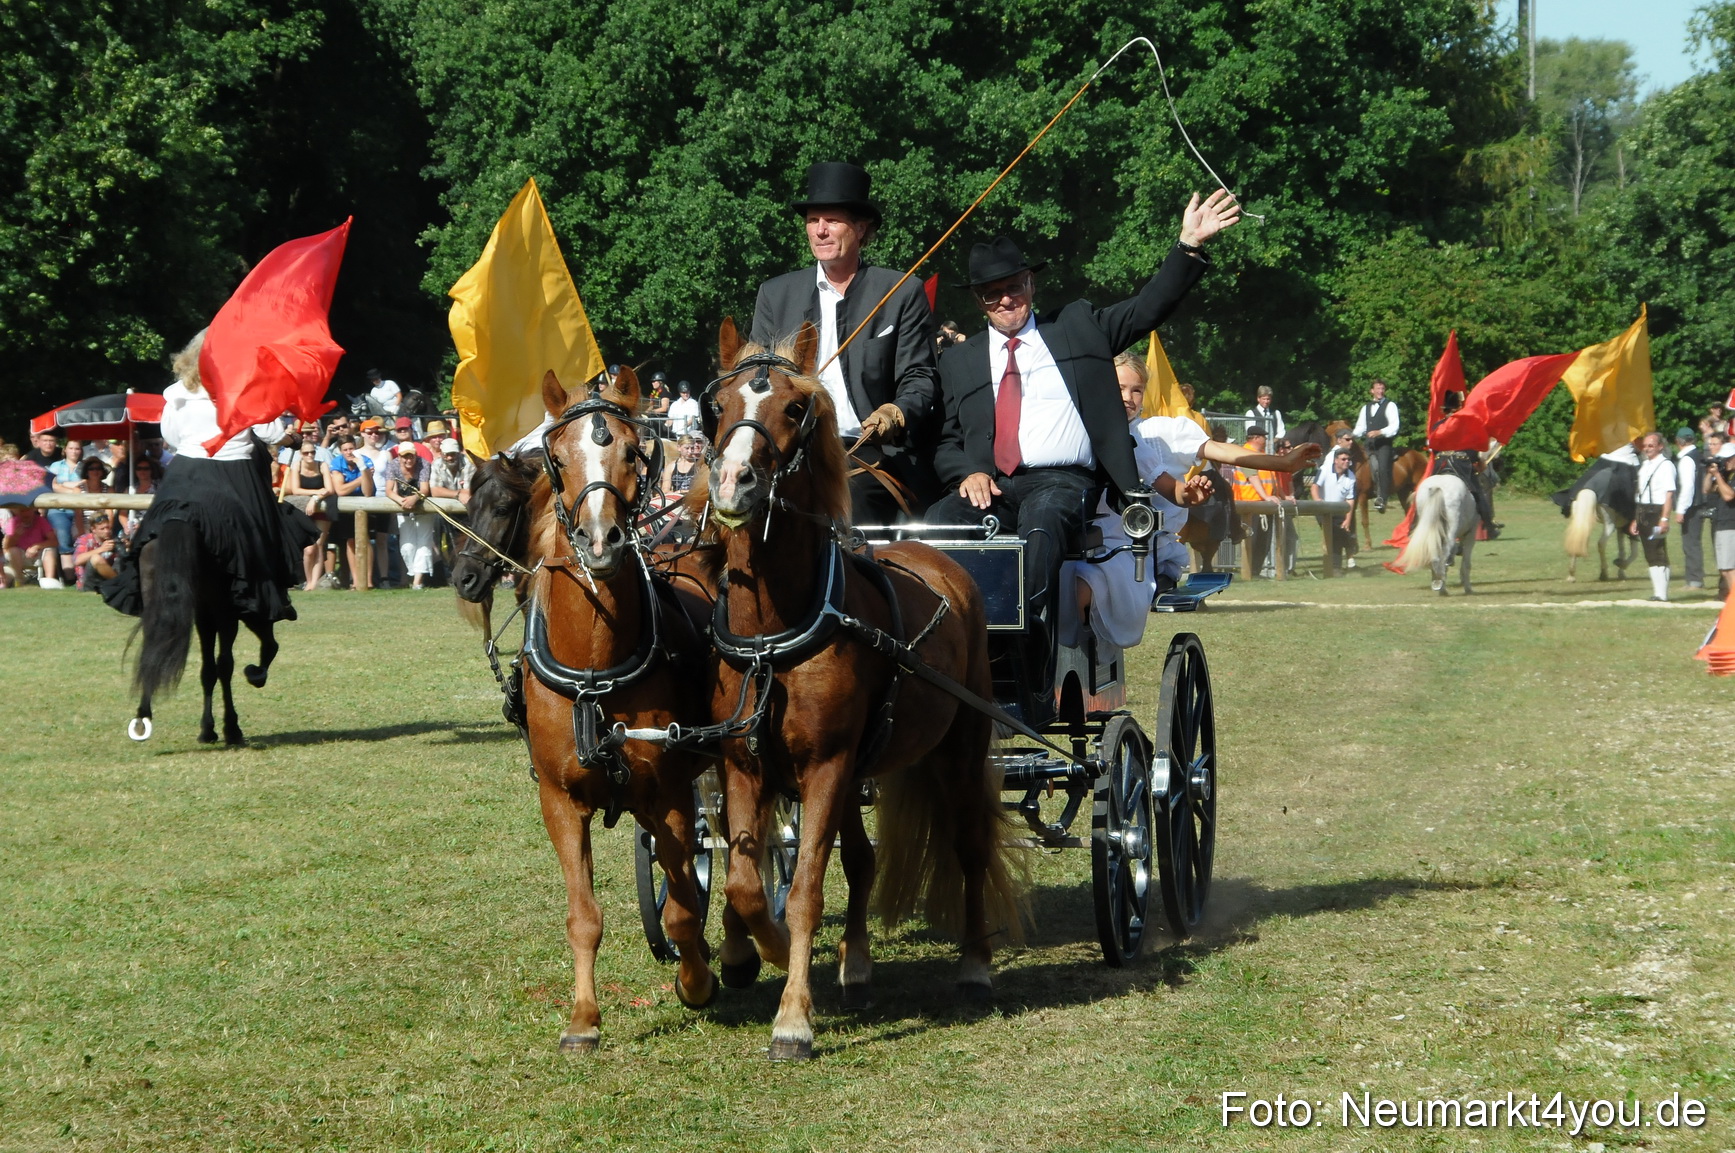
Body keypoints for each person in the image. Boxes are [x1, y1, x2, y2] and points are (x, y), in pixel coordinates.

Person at [932, 190, 1242, 678]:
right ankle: (943, 650)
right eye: (992, 293)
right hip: (991, 486)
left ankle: (1022, 657)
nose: (1006, 299)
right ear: (978, 300)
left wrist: (1188, 246)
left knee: (1041, 527)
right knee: (938, 523)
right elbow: (948, 440)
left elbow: (1146, 309)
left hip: (1061, 482)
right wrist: (966, 471)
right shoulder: (958, 360)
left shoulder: (1076, 327)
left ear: (1031, 283)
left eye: (1013, 286)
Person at [752, 161, 938, 522]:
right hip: (789, 450)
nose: (820, 230)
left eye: (832, 220)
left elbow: (920, 377)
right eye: (813, 221)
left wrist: (894, 413)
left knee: (846, 507)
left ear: (861, 228)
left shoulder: (901, 292)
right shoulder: (775, 294)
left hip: (868, 453)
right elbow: (759, 378)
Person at [1428, 390, 1499, 539]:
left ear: (1445, 409)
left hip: (1440, 464)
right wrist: (1477, 462)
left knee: (1426, 491)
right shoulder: (1465, 426)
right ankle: (1489, 526)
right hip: (1460, 465)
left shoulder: (1437, 426)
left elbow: (1433, 449)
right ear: (1457, 408)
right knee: (1478, 493)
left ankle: (1414, 525)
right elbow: (1471, 450)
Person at [382, 442, 435, 589]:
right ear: (399, 457)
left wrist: (415, 498)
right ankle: (413, 573)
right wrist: (401, 501)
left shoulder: (424, 464)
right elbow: (389, 490)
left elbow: (424, 489)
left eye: (411, 456)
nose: (408, 460)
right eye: (405, 457)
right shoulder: (393, 465)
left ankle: (417, 581)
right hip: (403, 505)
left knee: (424, 543)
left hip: (423, 506)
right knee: (407, 547)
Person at [1631, 430, 1676, 601]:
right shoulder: (1645, 465)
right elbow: (1640, 493)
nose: (1647, 449)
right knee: (1649, 552)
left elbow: (1669, 495)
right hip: (1643, 510)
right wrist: (1636, 519)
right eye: (1645, 446)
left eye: (1651, 445)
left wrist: (1664, 518)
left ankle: (1662, 594)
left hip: (1656, 510)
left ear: (1660, 446)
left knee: (1658, 550)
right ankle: (1657, 591)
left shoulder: (1666, 465)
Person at [283, 439, 332, 590]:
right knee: (308, 548)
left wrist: (315, 498)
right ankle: (307, 579)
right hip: (303, 508)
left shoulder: (322, 465)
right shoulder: (296, 466)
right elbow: (296, 489)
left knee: (319, 544)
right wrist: (317, 492)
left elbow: (329, 489)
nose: (310, 455)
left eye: (312, 452)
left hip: (321, 507)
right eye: (306, 453)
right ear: (301, 454)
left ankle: (313, 583)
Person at [1353, 379, 1400, 511]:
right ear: (1372, 391)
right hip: (1369, 444)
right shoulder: (1365, 408)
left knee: (1382, 467)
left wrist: (1380, 432)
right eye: (1378, 389)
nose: (1380, 391)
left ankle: (1382, 498)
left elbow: (1394, 426)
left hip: (1383, 444)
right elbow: (1361, 427)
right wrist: (1351, 435)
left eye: (1382, 389)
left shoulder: (1390, 406)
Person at [1312, 447, 1360, 570]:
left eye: (1348, 459)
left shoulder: (1351, 477)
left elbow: (1350, 500)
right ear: (1336, 460)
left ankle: (1335, 567)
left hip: (1339, 511)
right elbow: (1315, 487)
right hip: (1323, 509)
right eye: (1343, 459)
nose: (1346, 462)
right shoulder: (1325, 470)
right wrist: (1318, 501)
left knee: (1339, 536)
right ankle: (1333, 567)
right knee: (1333, 534)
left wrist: (1348, 520)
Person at [1674, 427, 1707, 589]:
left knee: (1690, 543)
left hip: (1692, 506)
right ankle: (1694, 578)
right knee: (1694, 542)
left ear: (1678, 442)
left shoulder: (1686, 459)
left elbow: (1687, 487)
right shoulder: (1699, 455)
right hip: (1700, 503)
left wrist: (1681, 509)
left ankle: (1694, 580)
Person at [3, 506, 64, 588]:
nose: (25, 514)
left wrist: (36, 546)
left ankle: (50, 581)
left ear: (33, 510)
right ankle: (19, 581)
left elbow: (54, 541)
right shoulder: (13, 522)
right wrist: (15, 536)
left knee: (50, 550)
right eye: (22, 511)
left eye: (27, 510)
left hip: (38, 554)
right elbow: (7, 547)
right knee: (13, 550)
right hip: (20, 555)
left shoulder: (41, 521)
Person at [1705, 439, 1735, 599]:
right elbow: (1706, 489)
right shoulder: (1726, 475)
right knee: (1724, 568)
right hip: (1721, 523)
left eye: (1728, 459)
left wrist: (1718, 476)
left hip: (1731, 524)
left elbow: (1729, 495)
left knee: (1730, 567)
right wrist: (1710, 474)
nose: (1726, 462)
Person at [72, 513, 119, 590]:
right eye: (102, 529)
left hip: (106, 580)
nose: (106, 531)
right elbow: (77, 560)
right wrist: (101, 549)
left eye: (108, 527)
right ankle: (119, 583)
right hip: (87, 582)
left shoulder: (112, 539)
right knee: (96, 558)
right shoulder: (85, 539)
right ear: (93, 529)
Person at [661, 434, 706, 499]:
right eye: (687, 448)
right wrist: (677, 494)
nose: (690, 451)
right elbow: (665, 490)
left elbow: (701, 489)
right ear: (679, 448)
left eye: (692, 448)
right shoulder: (671, 466)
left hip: (693, 499)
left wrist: (682, 492)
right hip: (676, 499)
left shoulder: (699, 465)